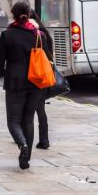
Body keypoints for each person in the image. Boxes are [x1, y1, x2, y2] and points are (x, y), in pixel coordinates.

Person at [0, 1, 52, 170]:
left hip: (15, 82)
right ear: (29, 14)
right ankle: (27, 158)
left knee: (13, 121)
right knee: (28, 120)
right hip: (36, 82)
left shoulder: (7, 35)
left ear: (13, 15)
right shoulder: (39, 34)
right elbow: (47, 57)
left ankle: (22, 144)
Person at [29, 9, 54, 150]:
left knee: (28, 109)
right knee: (40, 109)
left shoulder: (33, 35)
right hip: (44, 74)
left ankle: (23, 136)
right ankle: (44, 140)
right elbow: (50, 56)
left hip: (32, 75)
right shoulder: (45, 34)